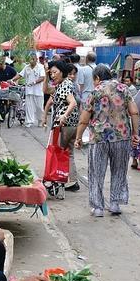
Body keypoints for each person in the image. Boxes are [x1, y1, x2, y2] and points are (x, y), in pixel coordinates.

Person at [74, 64, 139, 217]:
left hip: (98, 138)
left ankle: (98, 208)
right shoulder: (124, 89)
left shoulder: (95, 92)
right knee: (119, 170)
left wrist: (78, 137)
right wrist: (135, 133)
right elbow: (134, 112)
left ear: (97, 78)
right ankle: (115, 204)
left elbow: (84, 119)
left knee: (96, 172)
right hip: (121, 137)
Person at [42, 60, 80, 191]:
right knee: (68, 153)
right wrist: (46, 76)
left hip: (63, 123)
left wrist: (64, 115)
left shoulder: (64, 85)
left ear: (62, 72)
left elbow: (73, 102)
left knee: (57, 152)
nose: (52, 75)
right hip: (74, 124)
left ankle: (56, 180)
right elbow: (46, 90)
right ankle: (72, 181)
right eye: (51, 73)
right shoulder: (65, 84)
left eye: (55, 72)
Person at [16, 53, 45, 127]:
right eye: (30, 59)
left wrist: (34, 82)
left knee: (39, 107)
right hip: (29, 90)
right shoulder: (26, 67)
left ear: (36, 59)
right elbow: (20, 75)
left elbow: (42, 77)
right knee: (29, 106)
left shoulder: (41, 67)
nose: (31, 61)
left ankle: (40, 120)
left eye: (33, 59)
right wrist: (12, 79)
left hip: (38, 91)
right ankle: (29, 121)